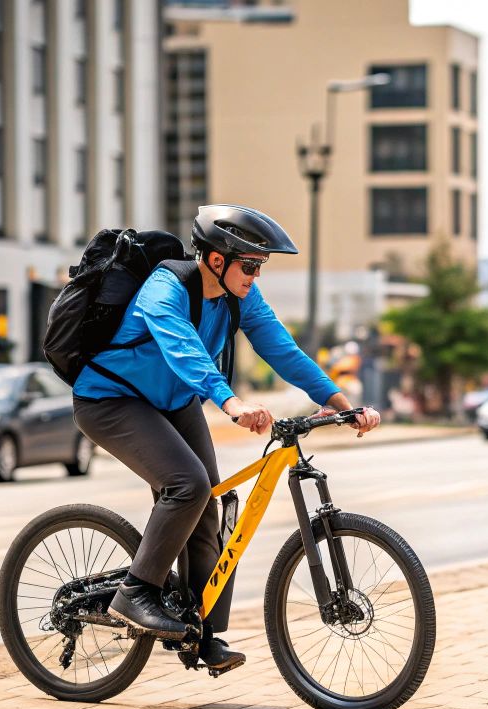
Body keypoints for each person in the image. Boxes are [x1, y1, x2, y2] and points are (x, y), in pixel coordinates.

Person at [76, 204, 380, 674]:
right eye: (250, 265)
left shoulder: (241, 299)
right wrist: (231, 403)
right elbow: (184, 349)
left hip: (174, 401)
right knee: (187, 485)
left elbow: (283, 349)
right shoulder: (166, 286)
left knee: (209, 503)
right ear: (217, 259)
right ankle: (135, 594)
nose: (256, 276)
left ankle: (202, 635)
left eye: (261, 267)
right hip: (112, 400)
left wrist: (341, 402)